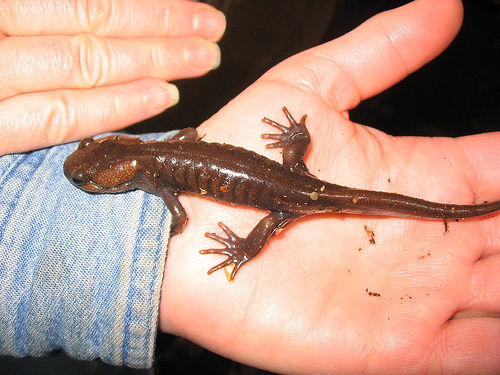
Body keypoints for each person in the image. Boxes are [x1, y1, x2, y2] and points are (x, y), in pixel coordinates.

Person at [1, 0, 499, 373]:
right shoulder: (155, 159)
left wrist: (238, 249)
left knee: (275, 219)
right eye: (91, 171)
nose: (87, 176)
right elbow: (188, 140)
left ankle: (253, 236)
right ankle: (295, 144)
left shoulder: (154, 177)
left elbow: (177, 217)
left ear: (122, 166)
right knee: (295, 184)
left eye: (89, 173)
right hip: (294, 183)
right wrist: (293, 142)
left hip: (290, 200)